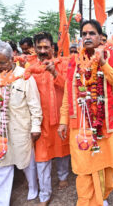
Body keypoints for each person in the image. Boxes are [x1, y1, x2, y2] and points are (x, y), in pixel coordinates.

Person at [58, 19, 113, 206]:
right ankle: (86, 202)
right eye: (84, 34)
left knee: (107, 172)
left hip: (106, 126)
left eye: (91, 33)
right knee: (83, 171)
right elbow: (67, 95)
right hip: (80, 127)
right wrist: (63, 121)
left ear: (100, 37)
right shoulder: (74, 63)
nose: (87, 37)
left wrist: (103, 63)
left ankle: (102, 199)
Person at [0, 41, 42, 206]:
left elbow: (34, 104)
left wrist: (35, 127)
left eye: (2, 62)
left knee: (26, 161)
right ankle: (2, 202)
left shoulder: (24, 75)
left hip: (20, 127)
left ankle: (33, 187)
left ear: (12, 59)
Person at [30, 32, 71, 205]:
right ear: (35, 48)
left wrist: (55, 72)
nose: (43, 50)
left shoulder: (62, 64)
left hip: (60, 118)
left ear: (53, 48)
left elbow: (68, 87)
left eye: (46, 47)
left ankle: (63, 176)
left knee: (62, 150)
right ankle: (44, 195)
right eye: (39, 47)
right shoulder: (29, 67)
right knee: (42, 157)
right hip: (40, 120)